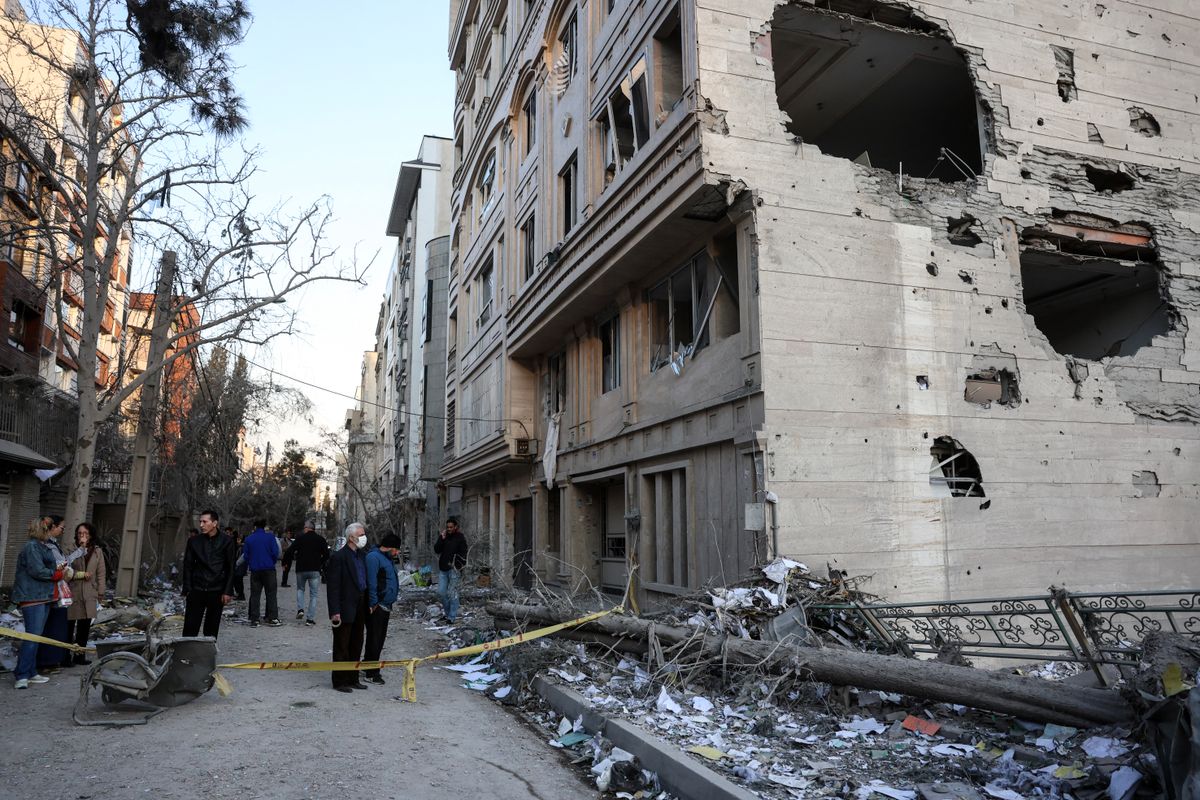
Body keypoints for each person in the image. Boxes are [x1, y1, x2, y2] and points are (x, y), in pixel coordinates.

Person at [11, 518, 70, 688]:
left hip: (44, 596)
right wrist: (57, 574)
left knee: (36, 637)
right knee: (32, 637)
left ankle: (31, 671)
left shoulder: (42, 546)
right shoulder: (31, 547)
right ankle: (22, 674)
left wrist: (57, 570)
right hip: (32, 597)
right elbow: (37, 571)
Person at [326, 522, 369, 693]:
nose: (363, 537)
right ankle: (340, 681)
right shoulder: (339, 557)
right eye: (361, 534)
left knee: (357, 643)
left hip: (360, 604)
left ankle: (353, 678)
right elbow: (333, 587)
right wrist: (334, 611)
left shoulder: (361, 555)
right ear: (351, 537)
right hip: (344, 607)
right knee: (342, 644)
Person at [181, 510, 236, 638]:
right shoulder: (194, 541)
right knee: (190, 627)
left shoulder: (227, 541)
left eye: (204, 522)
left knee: (211, 629)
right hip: (197, 589)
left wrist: (227, 591)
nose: (201, 525)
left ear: (214, 523)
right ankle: (186, 656)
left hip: (217, 590)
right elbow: (188, 566)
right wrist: (188, 589)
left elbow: (230, 568)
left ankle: (207, 656)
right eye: (200, 521)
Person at [66, 522, 107, 666]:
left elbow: (101, 573)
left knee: (84, 627)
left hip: (90, 592)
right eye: (80, 533)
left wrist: (101, 591)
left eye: (86, 534)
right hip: (73, 591)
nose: (83, 536)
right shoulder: (71, 549)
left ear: (91, 535)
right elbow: (66, 569)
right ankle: (66, 656)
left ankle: (79, 656)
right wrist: (80, 574)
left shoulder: (97, 551)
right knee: (69, 626)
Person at [363, 534, 401, 685]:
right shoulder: (374, 558)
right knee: (375, 639)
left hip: (384, 605)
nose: (398, 552)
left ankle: (367, 665)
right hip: (377, 605)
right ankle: (372, 673)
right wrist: (373, 603)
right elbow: (371, 582)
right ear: (390, 547)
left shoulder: (386, 558)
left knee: (377, 638)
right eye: (396, 549)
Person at [37, 516, 73, 672]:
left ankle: (52, 660)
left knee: (57, 625)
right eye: (61, 527)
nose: (62, 531)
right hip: (50, 591)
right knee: (51, 626)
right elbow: (57, 567)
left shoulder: (53, 544)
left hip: (57, 591)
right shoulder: (44, 546)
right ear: (52, 527)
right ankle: (46, 662)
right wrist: (63, 572)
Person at [243, 520, 281, 627]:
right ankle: (272, 617)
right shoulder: (270, 537)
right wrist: (271, 562)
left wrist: (251, 563)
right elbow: (275, 553)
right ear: (264, 527)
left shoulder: (249, 539)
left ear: (255, 527)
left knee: (255, 595)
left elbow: (246, 555)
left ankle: (255, 619)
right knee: (271, 594)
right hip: (269, 569)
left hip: (255, 569)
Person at [292, 519, 330, 625]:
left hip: (301, 569)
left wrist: (286, 562)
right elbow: (327, 554)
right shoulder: (320, 539)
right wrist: (320, 562)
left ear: (307, 528)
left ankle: (300, 609)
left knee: (300, 589)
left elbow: (291, 550)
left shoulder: (300, 538)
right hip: (314, 570)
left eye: (304, 527)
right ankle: (310, 619)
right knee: (313, 594)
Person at [433, 517, 468, 623]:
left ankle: (451, 617)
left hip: (454, 570)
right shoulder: (444, 537)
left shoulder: (460, 537)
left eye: (451, 527)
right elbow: (437, 550)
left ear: (456, 527)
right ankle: (448, 614)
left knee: (452, 593)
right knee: (441, 592)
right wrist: (441, 538)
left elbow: (463, 553)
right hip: (443, 569)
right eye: (447, 527)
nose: (449, 529)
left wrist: (458, 566)